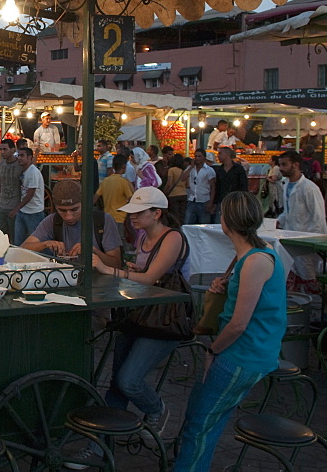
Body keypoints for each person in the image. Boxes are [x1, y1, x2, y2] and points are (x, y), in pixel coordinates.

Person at [172, 191, 287, 472]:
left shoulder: (255, 261)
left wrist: (213, 349)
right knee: (204, 421)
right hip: (245, 352)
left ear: (227, 221)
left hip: (243, 355)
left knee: (199, 426)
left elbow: (238, 324)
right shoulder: (249, 257)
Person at [89, 187, 188, 458]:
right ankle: (99, 443)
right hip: (139, 313)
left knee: (129, 380)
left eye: (138, 213)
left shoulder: (172, 238)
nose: (132, 217)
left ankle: (156, 408)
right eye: (131, 212)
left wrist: (108, 268)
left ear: (157, 213)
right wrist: (133, 269)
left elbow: (151, 279)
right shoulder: (144, 236)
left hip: (163, 318)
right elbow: (144, 273)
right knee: (116, 383)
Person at [20, 179, 122, 268]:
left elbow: (116, 264)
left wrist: (93, 251)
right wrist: (45, 244)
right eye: (62, 211)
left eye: (74, 209)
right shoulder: (52, 221)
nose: (69, 216)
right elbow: (23, 249)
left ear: (84, 203)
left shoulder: (103, 220)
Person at [277, 149, 327, 287]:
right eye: (280, 165)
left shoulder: (309, 188)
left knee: (310, 279)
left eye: (284, 164)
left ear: (296, 165)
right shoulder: (286, 185)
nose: (281, 168)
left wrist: (312, 242)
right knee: (293, 277)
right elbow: (288, 211)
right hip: (290, 239)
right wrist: (277, 221)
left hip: (307, 242)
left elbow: (318, 217)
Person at [94, 154, 134, 245]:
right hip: (120, 218)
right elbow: (131, 199)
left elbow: (95, 198)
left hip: (107, 218)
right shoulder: (124, 182)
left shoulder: (106, 181)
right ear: (124, 167)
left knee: (109, 243)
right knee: (121, 242)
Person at [13, 148, 45, 245]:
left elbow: (30, 193)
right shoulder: (24, 171)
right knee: (18, 241)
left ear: (30, 158)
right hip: (23, 211)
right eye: (18, 155)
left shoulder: (33, 172)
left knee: (36, 242)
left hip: (34, 212)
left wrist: (17, 208)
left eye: (22, 156)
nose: (19, 158)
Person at [0, 138, 22, 239]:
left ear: (13, 150)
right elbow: (1, 183)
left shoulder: (20, 165)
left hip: (14, 205)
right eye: (1, 149)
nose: (2, 152)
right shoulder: (1, 165)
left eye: (5, 149)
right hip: (1, 205)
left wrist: (18, 207)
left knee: (14, 236)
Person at [213, 147, 248, 222]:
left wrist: (243, 200)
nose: (218, 156)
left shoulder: (238, 169)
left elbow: (243, 185)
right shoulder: (219, 170)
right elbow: (217, 187)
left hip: (235, 201)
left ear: (227, 154)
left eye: (220, 153)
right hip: (222, 200)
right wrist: (215, 203)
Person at [183, 149, 217, 225]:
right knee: (187, 224)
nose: (197, 158)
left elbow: (213, 187)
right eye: (196, 156)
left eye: (199, 156)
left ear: (204, 158)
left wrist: (211, 202)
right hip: (192, 200)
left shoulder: (209, 170)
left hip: (204, 201)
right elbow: (183, 178)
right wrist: (191, 166)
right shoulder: (191, 169)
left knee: (204, 224)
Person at [162, 153, 187, 224]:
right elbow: (187, 185)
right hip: (183, 194)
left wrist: (164, 192)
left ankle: (176, 228)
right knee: (182, 214)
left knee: (174, 215)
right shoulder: (183, 171)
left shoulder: (171, 170)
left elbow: (169, 184)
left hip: (173, 195)